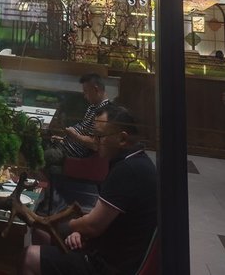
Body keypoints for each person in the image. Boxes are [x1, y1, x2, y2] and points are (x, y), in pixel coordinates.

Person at [23, 105, 157, 275]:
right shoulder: (135, 160)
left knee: (28, 256)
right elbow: (99, 220)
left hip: (111, 265)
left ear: (122, 139)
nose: (94, 141)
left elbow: (93, 226)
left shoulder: (128, 171)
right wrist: (80, 231)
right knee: (41, 232)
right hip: (109, 245)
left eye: (99, 136)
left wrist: (65, 226)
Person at [44, 73, 111, 170]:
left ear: (96, 89)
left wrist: (74, 135)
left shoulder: (103, 113)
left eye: (86, 92)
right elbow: (83, 130)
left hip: (72, 154)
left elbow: (95, 144)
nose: (84, 96)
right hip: (66, 145)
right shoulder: (93, 107)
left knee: (38, 156)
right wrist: (64, 139)